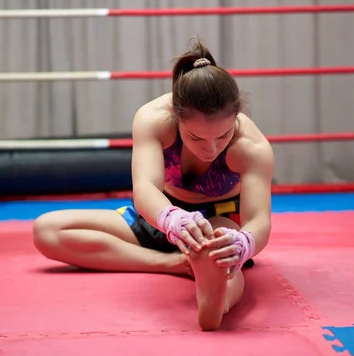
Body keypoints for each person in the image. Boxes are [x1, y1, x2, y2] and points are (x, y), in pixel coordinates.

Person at [33, 38, 274, 331]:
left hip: (220, 217)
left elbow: (258, 220)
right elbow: (145, 189)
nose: (211, 148)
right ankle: (172, 264)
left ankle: (218, 303)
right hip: (160, 212)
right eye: (196, 137)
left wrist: (242, 243)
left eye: (222, 136)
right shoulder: (152, 119)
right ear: (175, 116)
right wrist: (172, 219)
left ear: (236, 116)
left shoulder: (251, 146)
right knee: (47, 230)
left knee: (221, 252)